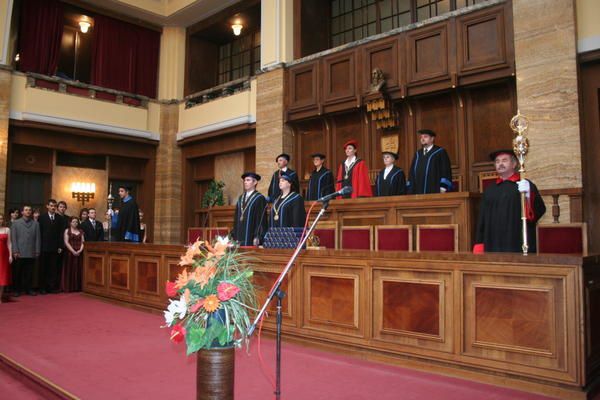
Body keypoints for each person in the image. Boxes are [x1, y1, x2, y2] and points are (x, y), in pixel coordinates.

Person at [474, 149, 546, 253]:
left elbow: (539, 210)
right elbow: (482, 219)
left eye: (504, 160)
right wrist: (479, 243)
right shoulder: (489, 190)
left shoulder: (524, 186)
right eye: (497, 161)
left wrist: (529, 194)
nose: (500, 164)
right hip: (493, 243)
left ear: (514, 164)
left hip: (516, 241)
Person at [407, 129, 452, 194]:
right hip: (417, 191)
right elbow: (412, 172)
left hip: (434, 189)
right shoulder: (417, 154)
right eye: (421, 137)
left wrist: (443, 187)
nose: (422, 139)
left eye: (425, 137)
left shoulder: (440, 152)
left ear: (432, 139)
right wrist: (410, 188)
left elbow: (445, 170)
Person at [10, 205, 40, 297]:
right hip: (19, 252)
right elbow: (13, 238)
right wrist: (15, 250)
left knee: (29, 273)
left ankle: (29, 289)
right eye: (26, 210)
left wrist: (37, 250)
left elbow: (38, 238)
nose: (28, 211)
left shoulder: (36, 224)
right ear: (22, 212)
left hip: (31, 252)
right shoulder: (16, 223)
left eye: (30, 210)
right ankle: (16, 290)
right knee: (17, 272)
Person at [231, 172, 268, 246]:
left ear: (255, 182)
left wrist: (258, 236)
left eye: (248, 180)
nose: (245, 182)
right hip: (239, 235)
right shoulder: (241, 198)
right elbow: (236, 217)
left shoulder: (259, 198)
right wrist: (233, 235)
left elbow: (260, 219)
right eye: (244, 180)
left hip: (251, 237)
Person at [38, 199, 64, 294]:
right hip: (44, 247)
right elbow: (39, 233)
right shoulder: (42, 218)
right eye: (51, 205)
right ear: (47, 206)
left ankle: (51, 287)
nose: (53, 207)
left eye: (54, 206)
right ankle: (42, 288)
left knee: (53, 269)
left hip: (55, 247)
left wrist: (60, 246)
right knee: (43, 268)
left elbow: (61, 233)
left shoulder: (59, 218)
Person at [62, 216, 84, 292]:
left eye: (76, 222)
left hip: (79, 253)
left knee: (79, 269)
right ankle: (69, 287)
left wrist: (80, 250)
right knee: (70, 270)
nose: (75, 223)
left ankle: (78, 287)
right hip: (70, 253)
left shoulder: (81, 231)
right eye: (73, 222)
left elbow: (83, 242)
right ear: (70, 223)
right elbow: (66, 242)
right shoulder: (67, 230)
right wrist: (73, 251)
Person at [0, 214, 13, 303]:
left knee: (3, 276)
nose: (0, 220)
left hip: (4, 255)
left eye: (1, 219)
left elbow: (9, 243)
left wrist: (10, 255)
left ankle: (0, 297)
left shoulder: (7, 229)